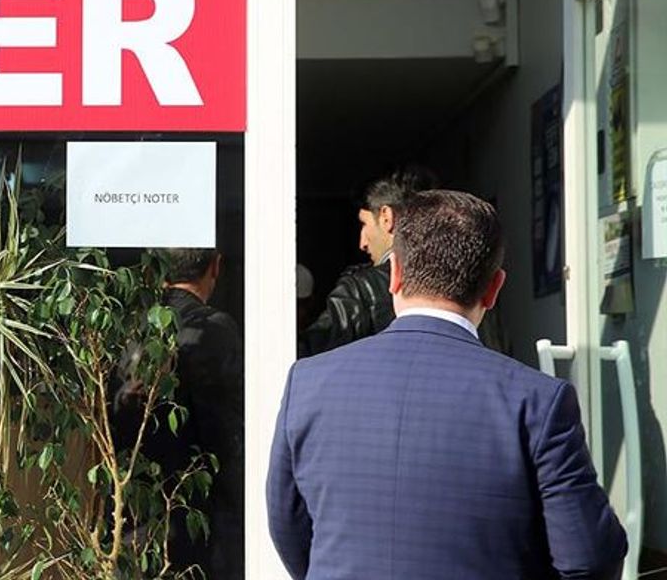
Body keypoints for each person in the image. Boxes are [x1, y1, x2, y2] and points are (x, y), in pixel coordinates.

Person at [267, 191, 627, 580]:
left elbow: (288, 527)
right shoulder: (538, 401)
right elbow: (590, 558)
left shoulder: (308, 382)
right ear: (494, 288)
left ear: (395, 274)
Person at [139, 248, 244, 577]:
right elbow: (225, 428)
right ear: (216, 266)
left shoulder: (133, 327)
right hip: (197, 505)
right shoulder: (214, 328)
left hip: (137, 501)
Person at [299, 166, 436, 356]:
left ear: (387, 218)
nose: (362, 243)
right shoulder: (463, 280)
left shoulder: (361, 291)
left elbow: (307, 352)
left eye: (364, 224)